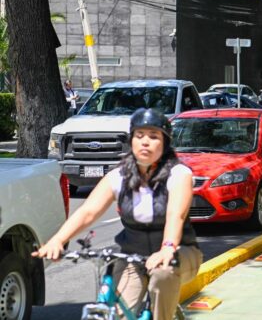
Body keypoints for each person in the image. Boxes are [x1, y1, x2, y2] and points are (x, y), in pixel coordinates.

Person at [32, 108, 202, 320]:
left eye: (153, 136)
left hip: (179, 252)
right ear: (131, 141)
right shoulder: (119, 175)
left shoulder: (179, 174)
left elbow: (175, 215)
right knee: (121, 314)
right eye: (139, 136)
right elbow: (88, 211)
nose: (145, 142)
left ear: (165, 143)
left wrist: (167, 248)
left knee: (162, 273)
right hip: (133, 256)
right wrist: (57, 240)